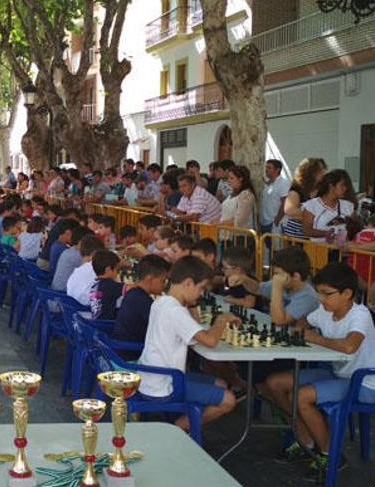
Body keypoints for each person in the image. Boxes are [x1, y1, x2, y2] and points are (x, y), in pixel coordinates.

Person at [264, 263, 375, 480]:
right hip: (338, 372)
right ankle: (305, 441)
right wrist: (302, 329)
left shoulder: (359, 315)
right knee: (275, 383)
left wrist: (315, 338)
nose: (321, 299)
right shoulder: (325, 310)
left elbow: (349, 346)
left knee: (300, 396)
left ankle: (330, 455)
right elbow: (302, 324)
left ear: (347, 294)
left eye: (327, 293)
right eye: (319, 293)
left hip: (364, 382)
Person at [137, 256, 239, 432]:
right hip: (165, 384)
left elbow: (194, 326)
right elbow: (210, 341)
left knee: (220, 383)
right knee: (229, 400)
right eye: (201, 288)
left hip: (153, 376)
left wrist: (191, 303)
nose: (201, 294)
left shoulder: (162, 301)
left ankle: (185, 422)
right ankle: (177, 429)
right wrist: (222, 320)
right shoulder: (175, 311)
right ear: (188, 283)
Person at [112, 254, 171, 360]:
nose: (164, 285)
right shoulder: (143, 302)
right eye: (163, 280)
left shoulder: (134, 294)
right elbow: (163, 330)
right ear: (150, 279)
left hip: (120, 352)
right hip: (131, 358)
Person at [301, 169, 357, 243]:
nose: (345, 189)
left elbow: (354, 229)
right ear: (331, 186)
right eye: (342, 185)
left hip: (342, 249)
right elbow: (306, 230)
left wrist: (347, 235)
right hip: (317, 248)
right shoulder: (311, 206)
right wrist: (325, 234)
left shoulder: (348, 206)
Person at [282, 157, 327, 238]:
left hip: (314, 236)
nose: (323, 172)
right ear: (310, 172)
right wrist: (315, 214)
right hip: (296, 236)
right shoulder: (297, 189)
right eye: (320, 170)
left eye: (323, 169)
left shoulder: (322, 189)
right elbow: (290, 211)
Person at [85, 250, 128, 321]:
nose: (117, 273)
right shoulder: (109, 284)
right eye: (116, 269)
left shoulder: (94, 284)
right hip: (107, 324)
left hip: (96, 322)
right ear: (108, 269)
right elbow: (131, 288)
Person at [219, 165, 256, 230]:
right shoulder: (232, 194)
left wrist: (219, 224)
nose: (228, 181)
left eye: (231, 178)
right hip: (226, 232)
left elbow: (239, 220)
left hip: (239, 234)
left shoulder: (246, 194)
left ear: (240, 179)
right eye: (228, 178)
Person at [260, 159, 290, 234]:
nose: (266, 170)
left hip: (274, 223)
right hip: (264, 222)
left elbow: (285, 203)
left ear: (277, 170)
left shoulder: (283, 183)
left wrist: (277, 220)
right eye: (266, 167)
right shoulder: (268, 183)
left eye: (269, 168)